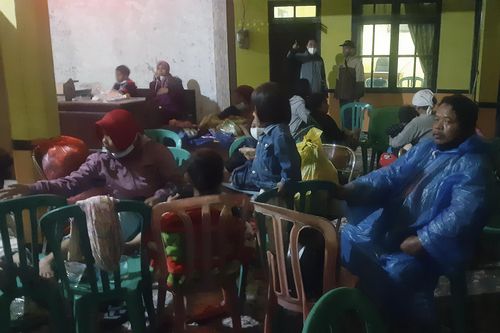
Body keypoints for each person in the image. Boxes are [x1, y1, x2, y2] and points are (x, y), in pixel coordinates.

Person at [336, 94, 492, 331]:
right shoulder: (428, 148)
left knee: (397, 271)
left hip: (438, 244)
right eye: (436, 118)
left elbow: (461, 215)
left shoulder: (472, 165)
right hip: (402, 227)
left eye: (447, 121)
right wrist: (355, 188)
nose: (437, 126)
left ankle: (411, 324)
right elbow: (391, 174)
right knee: (350, 236)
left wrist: (424, 239)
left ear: (468, 127)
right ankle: (370, 309)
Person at [0, 109, 183, 277]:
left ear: (125, 135)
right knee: (86, 220)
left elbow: (176, 183)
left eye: (110, 136)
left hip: (147, 212)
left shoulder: (154, 153)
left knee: (100, 227)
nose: (103, 141)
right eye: (102, 135)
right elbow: (70, 183)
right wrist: (32, 188)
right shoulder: (102, 159)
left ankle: (52, 261)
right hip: (116, 208)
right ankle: (60, 264)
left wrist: (158, 196)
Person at [231, 82, 302, 191]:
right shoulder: (267, 133)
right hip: (262, 185)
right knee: (236, 177)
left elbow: (291, 163)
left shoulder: (279, 135)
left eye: (255, 110)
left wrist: (285, 183)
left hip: (274, 190)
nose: (253, 114)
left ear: (266, 111)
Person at [335, 40, 365, 111]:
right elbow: (338, 79)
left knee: (351, 118)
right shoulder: (342, 62)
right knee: (344, 118)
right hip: (342, 97)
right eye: (344, 48)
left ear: (352, 50)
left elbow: (360, 80)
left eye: (346, 48)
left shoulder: (357, 62)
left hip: (351, 98)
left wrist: (356, 97)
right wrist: (337, 94)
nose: (343, 50)